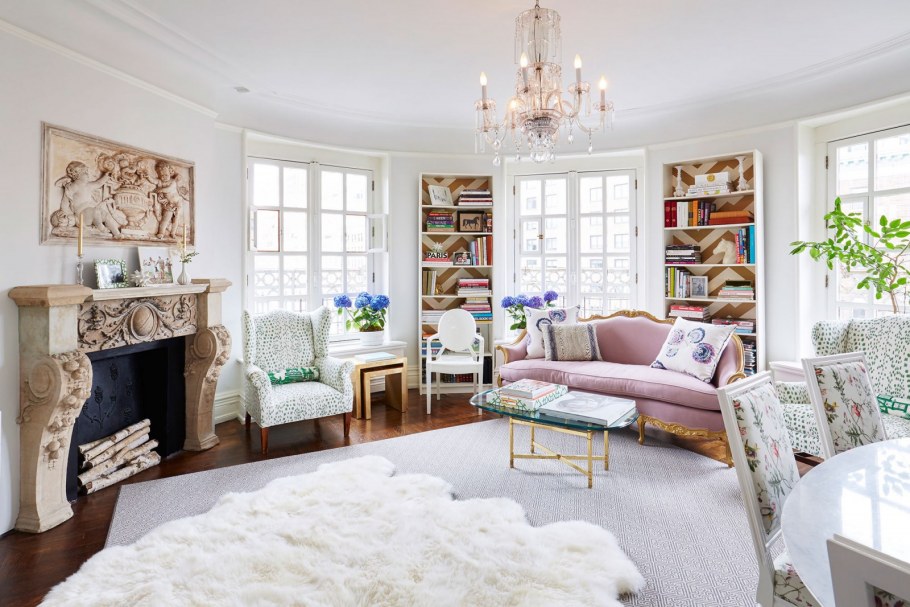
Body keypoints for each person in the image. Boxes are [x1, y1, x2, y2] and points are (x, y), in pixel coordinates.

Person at [55, 161, 123, 238]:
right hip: (81, 214)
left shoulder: (88, 185)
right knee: (95, 211)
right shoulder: (73, 187)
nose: (88, 174)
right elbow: (65, 202)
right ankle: (101, 227)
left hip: (92, 212)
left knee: (106, 215)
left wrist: (106, 176)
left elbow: (98, 183)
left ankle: (117, 233)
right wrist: (64, 213)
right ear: (77, 174)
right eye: (85, 173)